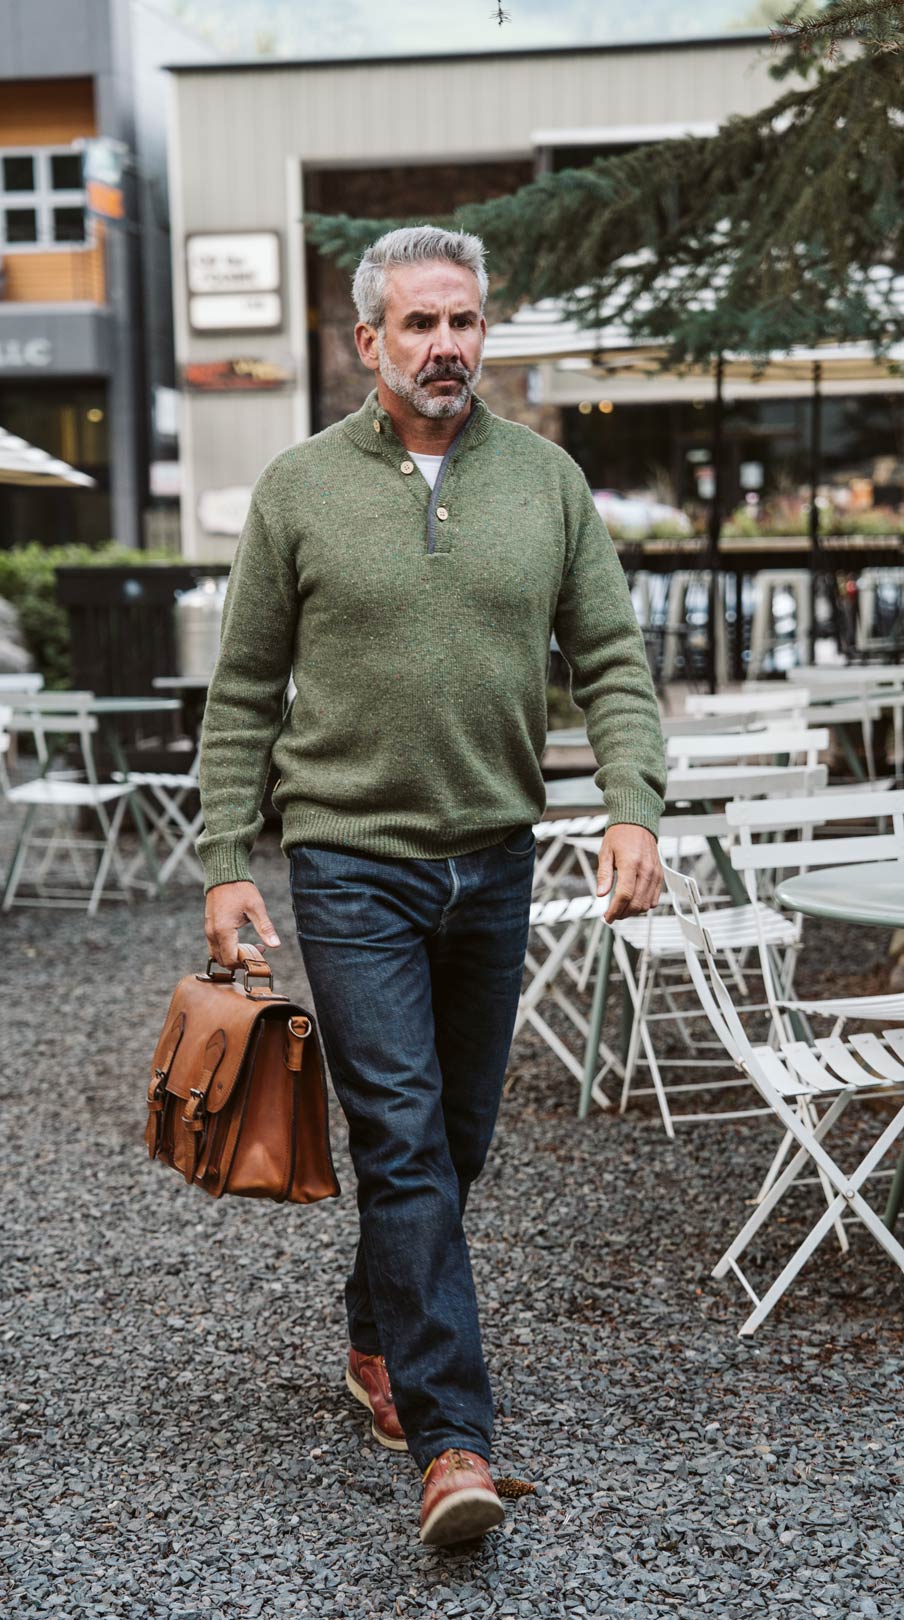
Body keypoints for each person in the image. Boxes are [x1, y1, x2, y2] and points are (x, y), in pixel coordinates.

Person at [198, 225, 666, 1547]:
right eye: (420, 324)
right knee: (400, 1139)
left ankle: (373, 1336)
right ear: (368, 343)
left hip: (497, 859)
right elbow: (242, 689)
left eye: (464, 321)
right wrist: (227, 862)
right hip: (352, 862)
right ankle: (452, 1443)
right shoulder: (298, 488)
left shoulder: (547, 480)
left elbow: (614, 658)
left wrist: (632, 802)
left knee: (457, 1143)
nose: (447, 346)